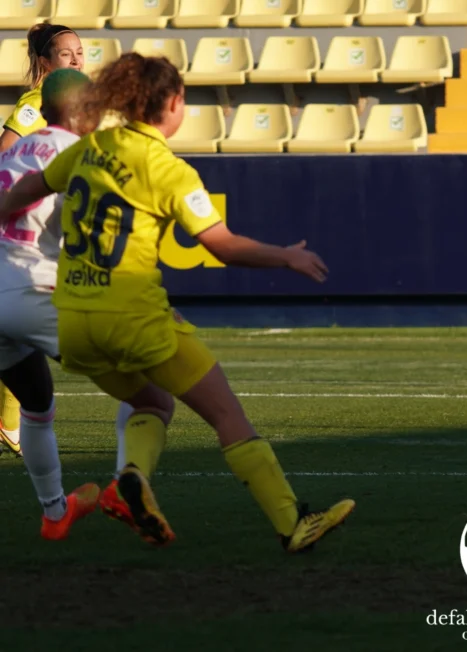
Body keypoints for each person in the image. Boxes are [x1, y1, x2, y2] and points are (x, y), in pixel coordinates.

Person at [0, 53, 355, 552]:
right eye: (183, 97)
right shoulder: (169, 169)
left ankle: (129, 482)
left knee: (151, 401)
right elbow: (222, 246)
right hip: (126, 313)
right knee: (227, 414)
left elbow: (25, 190)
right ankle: (292, 522)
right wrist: (285, 257)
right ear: (170, 104)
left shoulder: (90, 149)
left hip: (76, 321)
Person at [0, 68, 106, 539]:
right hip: (28, 288)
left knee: (37, 402)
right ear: (87, 111)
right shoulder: (78, 152)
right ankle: (130, 489)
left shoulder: (16, 146)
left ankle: (55, 512)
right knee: (144, 384)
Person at [0, 23, 85, 457]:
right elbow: (6, 149)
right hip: (26, 235)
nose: (77, 59)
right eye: (67, 54)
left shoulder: (69, 104)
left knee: (17, 338)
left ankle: (11, 423)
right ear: (45, 63)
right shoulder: (38, 104)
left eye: (80, 52)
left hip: (38, 231)